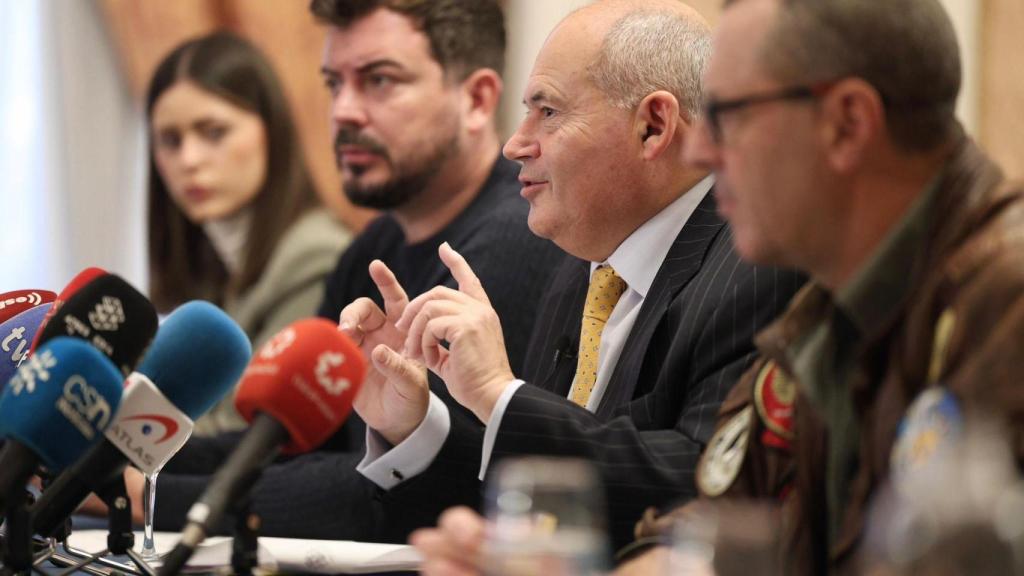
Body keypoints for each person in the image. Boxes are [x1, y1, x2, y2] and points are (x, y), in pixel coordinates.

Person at [351, 0, 804, 555]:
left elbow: (708, 490)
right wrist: (417, 427)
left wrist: (498, 395)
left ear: (652, 126)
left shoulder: (758, 267)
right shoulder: (580, 268)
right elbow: (539, 504)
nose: (514, 144)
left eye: (547, 112)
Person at [620, 0, 1024, 573]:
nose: (700, 150)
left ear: (848, 123)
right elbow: (715, 520)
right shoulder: (825, 315)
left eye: (727, 115)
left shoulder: (1006, 301)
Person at [145, 0, 564, 540]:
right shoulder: (376, 244)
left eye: (379, 80)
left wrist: (149, 498)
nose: (343, 111)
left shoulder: (511, 239)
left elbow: (394, 493)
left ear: (477, 99)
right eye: (333, 84)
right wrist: (121, 457)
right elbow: (286, 438)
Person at [146, 31, 351, 435]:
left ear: (271, 133)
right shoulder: (211, 264)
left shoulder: (316, 256)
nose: (189, 159)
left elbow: (244, 430)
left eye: (214, 132)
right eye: (170, 140)